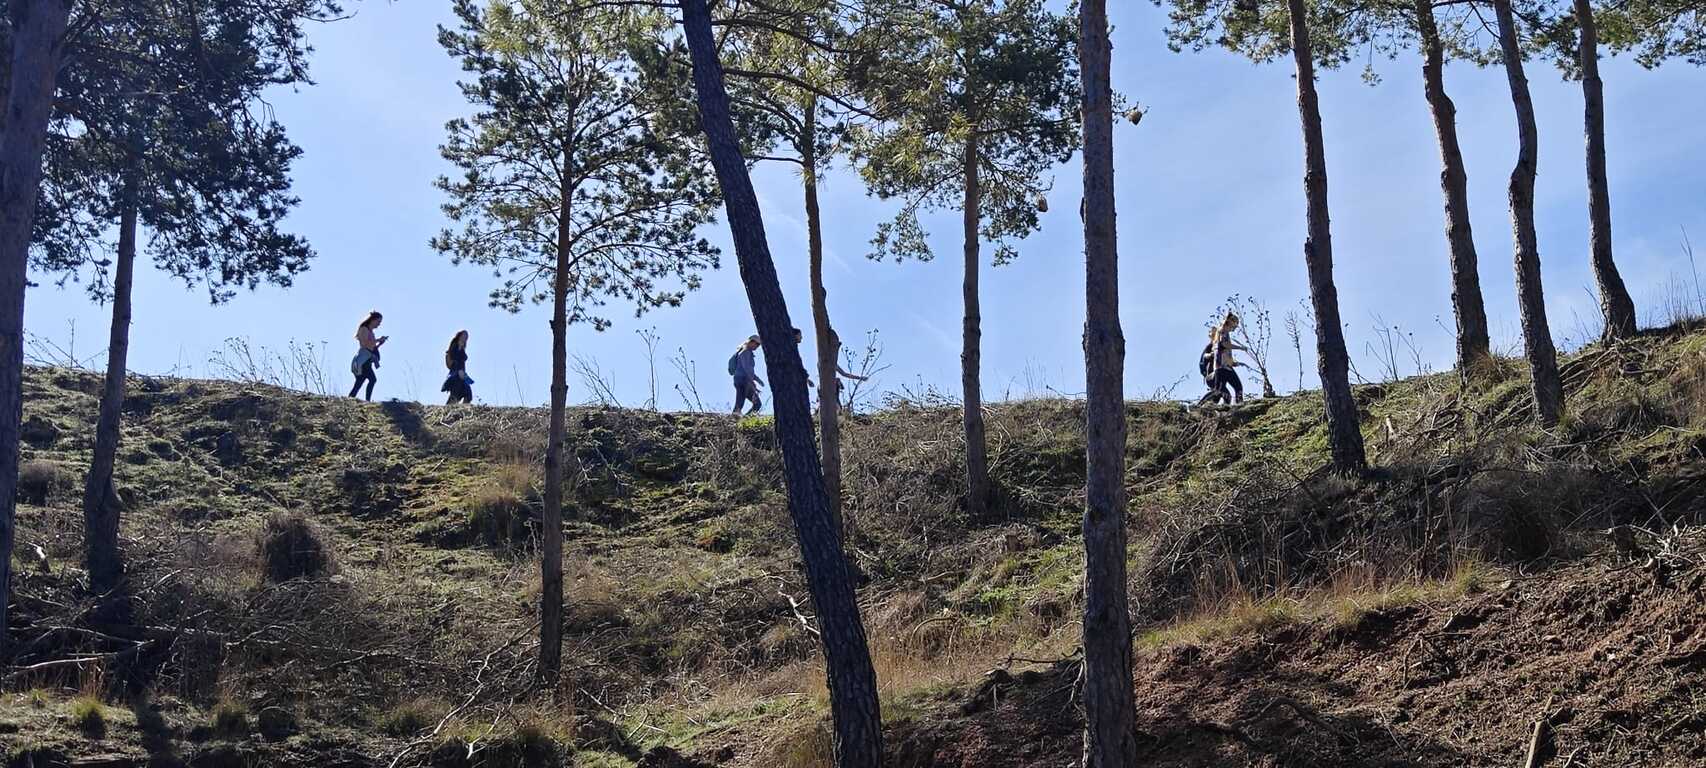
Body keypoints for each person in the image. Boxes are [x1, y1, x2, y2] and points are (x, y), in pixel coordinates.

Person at [792, 327, 868, 393]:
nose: (801, 337)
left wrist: (860, 378)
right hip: (824, 387)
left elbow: (845, 374)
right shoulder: (822, 361)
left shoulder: (833, 364)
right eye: (800, 335)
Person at [1198, 312, 1247, 406]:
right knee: (1219, 391)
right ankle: (1199, 406)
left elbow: (1224, 352)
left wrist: (1233, 363)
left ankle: (1239, 407)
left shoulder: (1225, 332)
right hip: (1221, 367)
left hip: (1227, 367)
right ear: (1231, 322)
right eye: (1235, 324)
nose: (1236, 327)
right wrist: (1240, 347)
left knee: (1237, 387)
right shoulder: (1222, 331)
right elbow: (1224, 344)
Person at [349, 311, 387, 401]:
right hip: (363, 360)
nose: (379, 324)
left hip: (368, 359)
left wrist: (380, 343)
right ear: (372, 320)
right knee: (372, 379)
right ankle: (367, 401)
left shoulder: (371, 332)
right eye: (378, 321)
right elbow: (364, 344)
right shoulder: (364, 329)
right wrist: (378, 340)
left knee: (360, 382)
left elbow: (372, 347)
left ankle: (351, 398)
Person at [729, 335, 763, 414]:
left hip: (741, 379)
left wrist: (757, 379)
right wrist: (752, 382)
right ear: (751, 342)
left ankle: (740, 418)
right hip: (743, 380)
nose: (758, 346)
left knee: (742, 403)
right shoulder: (745, 352)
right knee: (755, 404)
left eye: (759, 345)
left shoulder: (746, 352)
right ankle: (741, 419)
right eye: (757, 344)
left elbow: (747, 369)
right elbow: (746, 368)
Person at [442, 330, 473, 404]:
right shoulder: (454, 347)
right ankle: (450, 407)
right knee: (455, 393)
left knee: (468, 393)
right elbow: (453, 360)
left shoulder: (462, 350)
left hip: (462, 374)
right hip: (455, 374)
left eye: (466, 337)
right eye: (464, 336)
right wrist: (459, 371)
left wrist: (463, 373)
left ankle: (464, 408)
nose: (465, 338)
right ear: (459, 336)